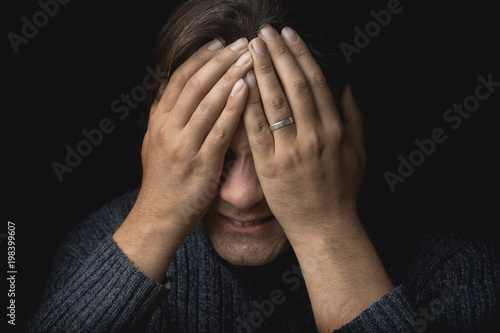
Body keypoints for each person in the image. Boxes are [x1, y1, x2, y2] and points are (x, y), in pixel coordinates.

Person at [29, 0, 499, 332]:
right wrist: (158, 216)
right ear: (162, 139)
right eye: (216, 155)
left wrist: (325, 229)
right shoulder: (93, 251)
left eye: (280, 159)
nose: (242, 195)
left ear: (341, 136)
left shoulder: (457, 272)